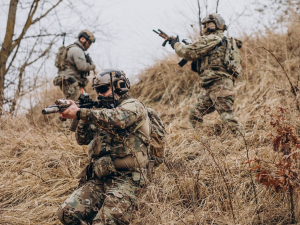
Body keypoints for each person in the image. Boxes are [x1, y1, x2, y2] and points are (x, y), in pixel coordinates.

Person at [57, 69, 152, 225]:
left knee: (104, 222)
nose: (100, 95)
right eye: (97, 91)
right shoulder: (101, 113)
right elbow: (82, 139)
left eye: (103, 89)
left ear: (120, 86)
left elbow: (119, 118)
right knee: (67, 213)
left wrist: (82, 112)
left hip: (129, 178)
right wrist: (82, 116)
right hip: (102, 177)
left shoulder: (134, 105)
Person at [169, 14, 244, 134]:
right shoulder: (220, 41)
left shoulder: (213, 38)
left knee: (228, 117)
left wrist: (176, 44)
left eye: (206, 24)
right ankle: (203, 143)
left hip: (219, 84)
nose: (204, 27)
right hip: (212, 86)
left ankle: (244, 144)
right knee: (195, 114)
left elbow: (188, 52)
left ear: (212, 25)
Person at [53, 30, 96, 100]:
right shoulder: (77, 50)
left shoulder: (72, 48)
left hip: (69, 81)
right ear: (82, 39)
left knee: (78, 103)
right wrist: (92, 66)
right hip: (72, 81)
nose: (89, 45)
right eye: (89, 42)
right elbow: (82, 66)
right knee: (76, 104)